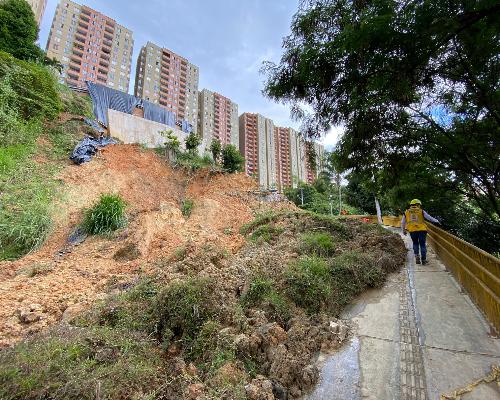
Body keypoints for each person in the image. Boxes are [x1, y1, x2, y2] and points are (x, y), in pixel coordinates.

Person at [401, 199, 440, 265]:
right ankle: (424, 260)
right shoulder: (421, 211)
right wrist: (437, 221)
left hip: (412, 230)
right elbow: (429, 218)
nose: (419, 206)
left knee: (415, 243)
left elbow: (402, 222)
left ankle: (417, 257)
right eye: (419, 205)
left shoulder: (406, 212)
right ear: (417, 204)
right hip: (422, 230)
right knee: (422, 245)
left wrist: (403, 230)